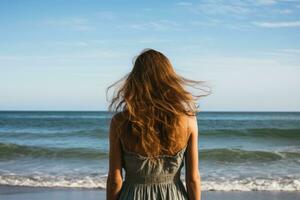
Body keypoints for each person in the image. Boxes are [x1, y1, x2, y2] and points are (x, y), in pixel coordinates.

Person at [106, 48, 209, 200]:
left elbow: (115, 180)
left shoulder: (120, 122)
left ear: (135, 80)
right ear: (169, 80)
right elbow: (192, 179)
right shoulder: (188, 121)